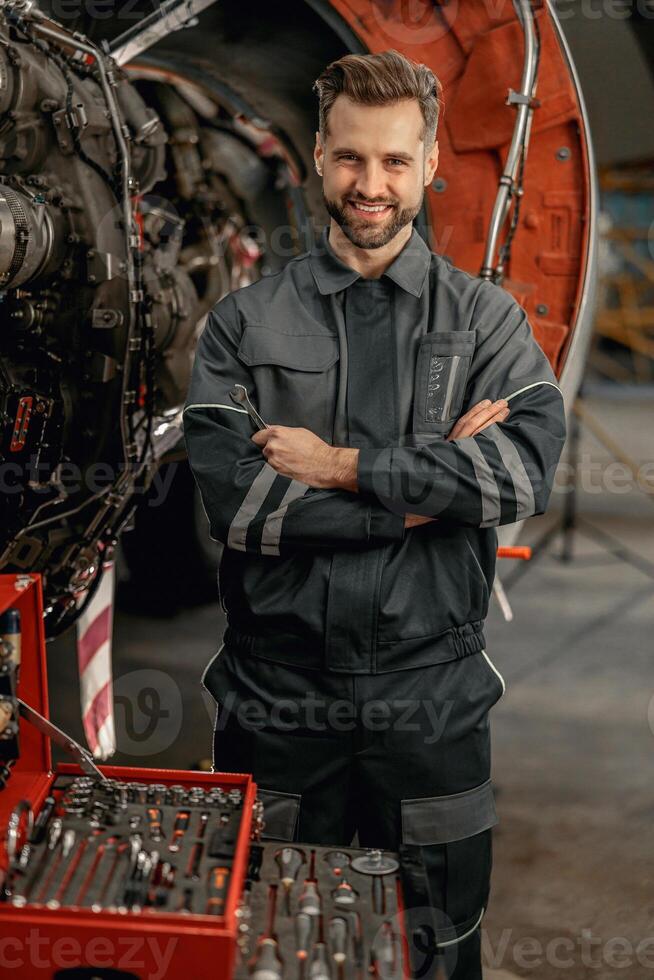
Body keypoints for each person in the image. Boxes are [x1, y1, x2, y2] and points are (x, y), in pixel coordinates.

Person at [183, 49, 566, 979]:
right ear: (317, 155)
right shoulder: (244, 325)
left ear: (431, 164)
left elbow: (519, 477)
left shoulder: (486, 324)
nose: (371, 184)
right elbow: (240, 505)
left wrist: (343, 468)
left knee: (437, 948)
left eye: (395, 161)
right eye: (352, 157)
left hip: (428, 704)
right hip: (278, 701)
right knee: (270, 945)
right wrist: (427, 493)